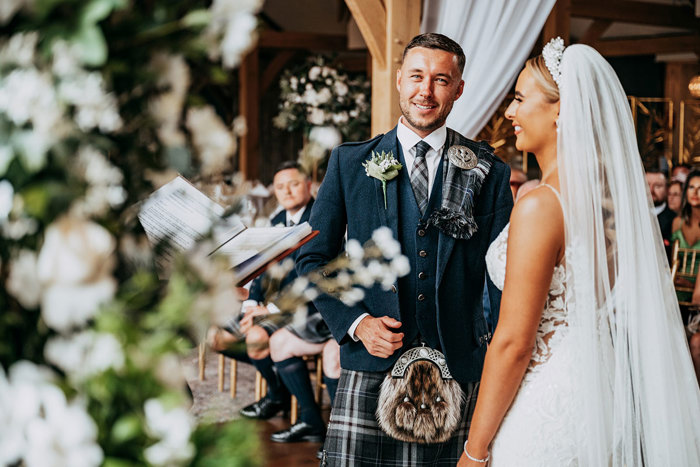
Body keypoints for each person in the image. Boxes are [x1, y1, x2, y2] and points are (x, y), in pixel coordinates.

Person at [458, 39, 700, 466]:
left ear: (559, 111)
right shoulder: (608, 202)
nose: (509, 112)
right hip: (602, 397)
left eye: (518, 98)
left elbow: (514, 342)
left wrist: (474, 452)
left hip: (545, 401)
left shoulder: (541, 205)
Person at [297, 33, 512, 465]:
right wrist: (355, 322)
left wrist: (494, 357)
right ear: (398, 80)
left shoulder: (489, 171)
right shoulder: (349, 163)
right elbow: (311, 258)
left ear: (459, 89)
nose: (425, 91)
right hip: (370, 365)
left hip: (458, 370)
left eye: (440, 79)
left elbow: (502, 277)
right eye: (416, 76)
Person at [207, 162, 338, 421]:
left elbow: (314, 278)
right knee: (217, 338)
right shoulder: (277, 221)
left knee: (255, 337)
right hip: (269, 306)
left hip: (307, 307)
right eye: (280, 187)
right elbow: (260, 269)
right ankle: (280, 391)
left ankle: (283, 398)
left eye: (294, 184)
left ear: (309, 186)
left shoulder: (321, 219)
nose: (287, 192)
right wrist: (251, 303)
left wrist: (270, 309)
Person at [646, 170, 675, 244]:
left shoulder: (674, 219)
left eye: (657, 186)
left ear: (667, 189)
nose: (651, 190)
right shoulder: (631, 215)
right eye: (646, 185)